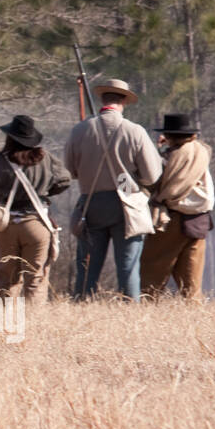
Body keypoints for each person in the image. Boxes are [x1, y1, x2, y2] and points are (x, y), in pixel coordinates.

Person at [65, 78, 162, 301]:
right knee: (128, 269)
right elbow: (152, 176)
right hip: (126, 204)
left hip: (91, 204)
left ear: (103, 99)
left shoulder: (80, 130)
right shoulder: (134, 131)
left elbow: (71, 170)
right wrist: (125, 178)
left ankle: (82, 308)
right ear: (124, 101)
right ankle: (129, 311)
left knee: (88, 270)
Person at [0, 115, 71, 302]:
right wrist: (45, 192)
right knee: (35, 280)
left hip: (7, 226)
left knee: (7, 279)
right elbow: (65, 180)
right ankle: (35, 325)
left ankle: (5, 324)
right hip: (36, 224)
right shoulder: (45, 158)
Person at [141, 114, 214, 300]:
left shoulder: (170, 157)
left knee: (151, 277)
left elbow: (152, 181)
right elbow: (203, 147)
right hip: (199, 220)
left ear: (169, 135)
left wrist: (157, 149)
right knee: (191, 285)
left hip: (171, 220)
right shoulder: (201, 152)